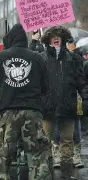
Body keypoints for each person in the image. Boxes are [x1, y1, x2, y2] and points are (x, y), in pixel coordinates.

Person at [0, 23, 52, 180]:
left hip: (7, 113)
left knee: (2, 158)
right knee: (37, 158)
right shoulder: (37, 58)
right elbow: (45, 86)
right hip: (32, 112)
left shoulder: (0, 57)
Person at [40, 26, 88, 179]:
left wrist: (85, 99)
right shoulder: (41, 58)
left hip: (68, 107)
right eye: (53, 35)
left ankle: (66, 175)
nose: (56, 37)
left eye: (59, 35)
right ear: (48, 39)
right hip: (47, 109)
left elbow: (81, 82)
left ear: (63, 39)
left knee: (67, 142)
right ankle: (47, 174)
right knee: (45, 142)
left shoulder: (73, 58)